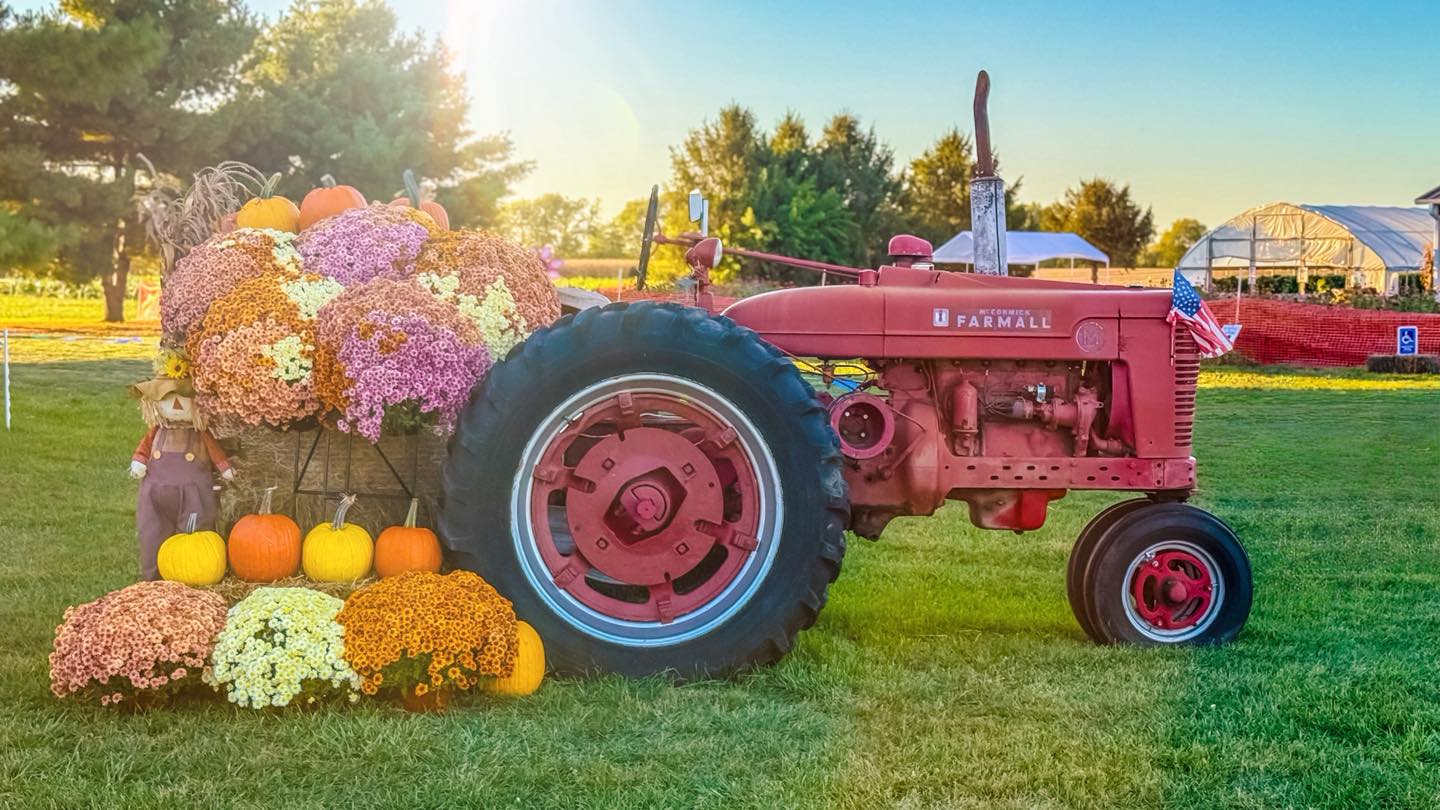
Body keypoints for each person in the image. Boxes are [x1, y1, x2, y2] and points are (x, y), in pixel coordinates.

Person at [128, 377, 233, 580]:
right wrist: (139, 461)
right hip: (155, 494)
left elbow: (215, 452)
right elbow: (144, 449)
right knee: (152, 532)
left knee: (192, 535)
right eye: (168, 398)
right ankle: (153, 577)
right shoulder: (156, 432)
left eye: (183, 398)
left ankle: (188, 576)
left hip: (193, 493)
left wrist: (224, 468)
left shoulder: (200, 434)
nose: (176, 404)